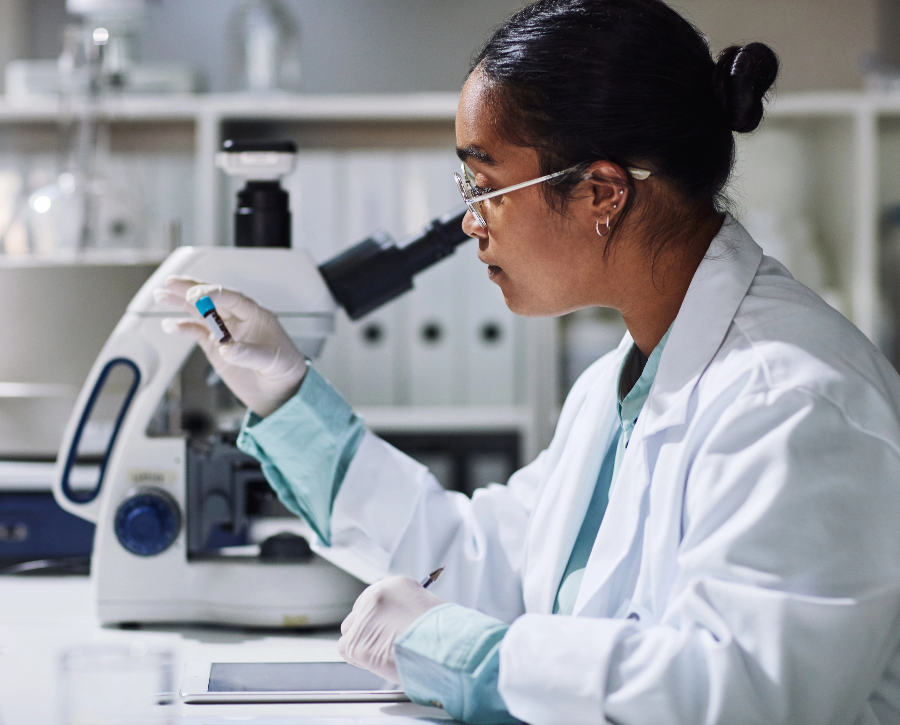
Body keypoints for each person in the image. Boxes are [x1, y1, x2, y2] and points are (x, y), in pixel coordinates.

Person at [155, 1, 900, 722]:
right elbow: (482, 559)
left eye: (485, 187)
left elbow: (741, 698)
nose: (471, 222)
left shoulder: (794, 402)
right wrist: (287, 399)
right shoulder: (622, 381)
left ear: (602, 193)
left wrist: (468, 654)